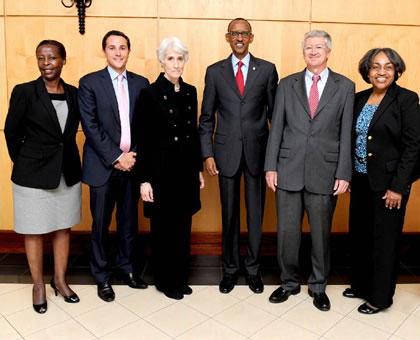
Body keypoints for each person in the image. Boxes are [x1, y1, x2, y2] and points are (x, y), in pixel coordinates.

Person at [265, 30, 355, 311]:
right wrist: (270, 166)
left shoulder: (345, 86)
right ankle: (289, 283)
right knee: (287, 234)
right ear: (303, 52)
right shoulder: (286, 84)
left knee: (321, 235)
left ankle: (318, 286)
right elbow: (276, 127)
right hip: (287, 168)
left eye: (318, 47)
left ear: (328, 52)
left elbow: (346, 133)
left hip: (325, 171)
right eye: (308, 47)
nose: (313, 51)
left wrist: (344, 172)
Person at [199, 18, 278, 294]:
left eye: (244, 33)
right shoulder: (215, 72)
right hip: (225, 154)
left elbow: (275, 118)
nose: (240, 38)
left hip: (258, 153)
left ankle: (254, 271)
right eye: (235, 33)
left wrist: (274, 159)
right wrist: (207, 153)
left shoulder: (267, 70)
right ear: (227, 37)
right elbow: (206, 118)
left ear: (252, 37)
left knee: (255, 215)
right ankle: (231, 270)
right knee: (230, 214)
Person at [4, 40, 82, 313]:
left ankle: (59, 280)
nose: (46, 63)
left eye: (52, 58)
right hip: (32, 174)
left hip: (66, 172)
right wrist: (27, 161)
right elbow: (11, 133)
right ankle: (38, 285)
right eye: (41, 58)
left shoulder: (74, 93)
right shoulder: (24, 92)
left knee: (63, 226)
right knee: (34, 229)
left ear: (63, 60)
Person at [343, 48, 420, 314]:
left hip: (389, 185)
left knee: (384, 242)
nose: (381, 72)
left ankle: (380, 297)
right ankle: (362, 286)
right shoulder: (358, 99)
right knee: (361, 237)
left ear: (397, 70)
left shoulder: (406, 100)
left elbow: (414, 146)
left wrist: (399, 186)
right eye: (376, 67)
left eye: (388, 67)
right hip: (361, 180)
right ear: (367, 71)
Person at [78, 30, 149, 302]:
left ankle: (127, 270)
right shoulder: (89, 83)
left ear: (129, 51)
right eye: (112, 48)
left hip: (132, 165)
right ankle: (102, 276)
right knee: (100, 225)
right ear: (104, 51)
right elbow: (91, 127)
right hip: (102, 166)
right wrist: (117, 157)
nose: (118, 52)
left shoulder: (141, 83)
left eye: (122, 47)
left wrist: (133, 156)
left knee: (129, 222)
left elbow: (145, 125)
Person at [136, 37, 204, 300]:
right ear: (162, 61)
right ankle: (165, 281)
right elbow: (143, 138)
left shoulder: (191, 91)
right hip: (160, 172)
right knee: (164, 230)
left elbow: (192, 132)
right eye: (171, 58)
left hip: (185, 171)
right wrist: (144, 180)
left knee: (183, 228)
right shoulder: (149, 93)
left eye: (180, 58)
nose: (176, 64)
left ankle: (180, 277)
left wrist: (197, 168)